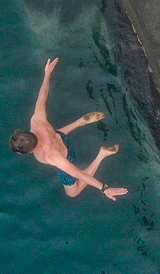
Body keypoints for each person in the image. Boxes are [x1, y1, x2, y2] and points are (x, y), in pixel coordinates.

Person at [9, 57, 129, 200]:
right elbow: (43, 96)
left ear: (32, 150)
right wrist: (47, 74)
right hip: (59, 137)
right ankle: (79, 122)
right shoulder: (36, 121)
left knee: (73, 192)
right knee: (55, 134)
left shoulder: (51, 157)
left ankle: (101, 155)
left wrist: (104, 189)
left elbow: (79, 173)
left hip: (65, 154)